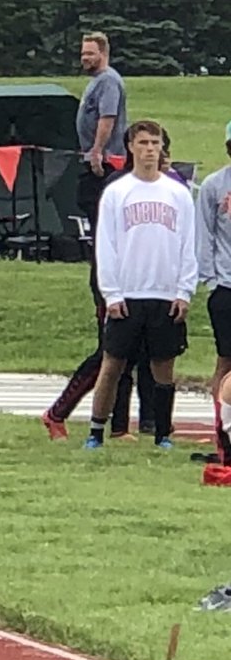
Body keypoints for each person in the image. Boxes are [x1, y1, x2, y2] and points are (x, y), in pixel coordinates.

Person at [85, 119, 197, 450]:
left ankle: (162, 432)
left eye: (155, 143)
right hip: (128, 294)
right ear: (131, 147)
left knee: (163, 365)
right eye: (143, 143)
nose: (150, 149)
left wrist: (184, 291)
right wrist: (112, 293)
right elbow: (105, 245)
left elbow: (188, 244)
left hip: (165, 293)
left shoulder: (178, 193)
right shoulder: (117, 192)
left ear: (163, 147)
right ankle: (96, 431)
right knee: (113, 363)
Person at [41, 32, 127, 440]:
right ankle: (60, 411)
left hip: (103, 164)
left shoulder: (108, 81)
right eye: (81, 53)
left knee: (124, 353)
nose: (84, 59)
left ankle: (124, 425)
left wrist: (97, 152)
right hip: (109, 283)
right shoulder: (98, 83)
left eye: (89, 53)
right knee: (110, 353)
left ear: (104, 54)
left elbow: (108, 121)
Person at [196, 121, 231, 445]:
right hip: (226, 286)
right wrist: (211, 280)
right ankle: (222, 431)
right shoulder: (214, 185)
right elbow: (204, 234)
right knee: (226, 359)